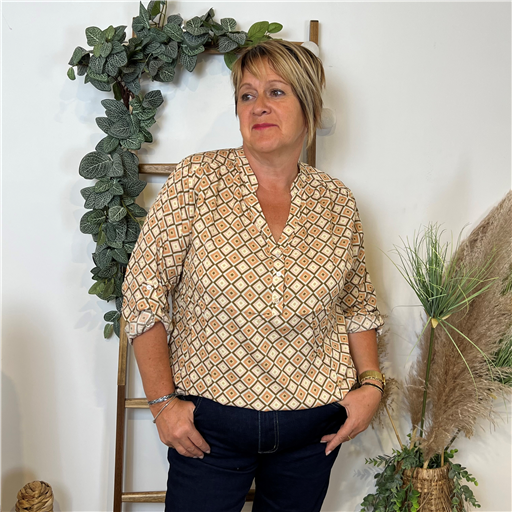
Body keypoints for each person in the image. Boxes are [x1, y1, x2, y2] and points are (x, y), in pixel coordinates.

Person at [122, 39, 385, 512]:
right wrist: (162, 404)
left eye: (276, 92)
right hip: (208, 432)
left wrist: (370, 386)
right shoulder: (197, 181)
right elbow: (143, 293)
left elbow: (358, 305)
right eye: (247, 95)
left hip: (313, 432)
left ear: (309, 106)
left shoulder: (336, 201)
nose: (258, 105)